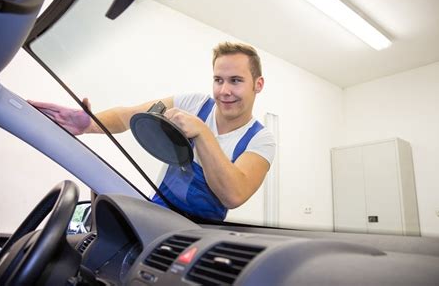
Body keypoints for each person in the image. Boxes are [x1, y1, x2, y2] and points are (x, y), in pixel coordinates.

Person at [30, 42, 276, 221]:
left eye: (235, 81)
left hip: (200, 234)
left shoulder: (261, 139)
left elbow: (233, 194)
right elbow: (128, 116)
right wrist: (88, 125)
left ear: (258, 84)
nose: (224, 91)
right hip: (155, 215)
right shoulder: (194, 103)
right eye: (218, 80)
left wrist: (202, 132)